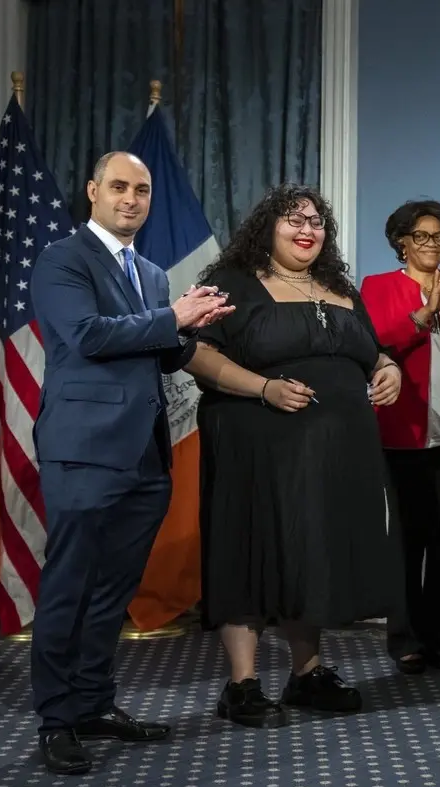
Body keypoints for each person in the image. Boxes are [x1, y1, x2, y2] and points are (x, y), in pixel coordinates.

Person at [29, 151, 231, 774]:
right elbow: (88, 336)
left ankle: (93, 703)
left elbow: (155, 352)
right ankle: (57, 720)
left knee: (113, 589)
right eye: (118, 186)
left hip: (144, 454)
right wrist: (172, 319)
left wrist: (194, 326)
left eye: (141, 190)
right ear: (92, 191)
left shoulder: (148, 270)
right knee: (70, 586)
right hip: (84, 450)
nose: (131, 199)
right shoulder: (62, 258)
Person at [184, 184, 404, 728]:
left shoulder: (338, 287)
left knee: (314, 555)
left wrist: (388, 369)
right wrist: (263, 388)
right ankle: (242, 685)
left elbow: (370, 348)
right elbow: (195, 354)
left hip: (334, 455)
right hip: (255, 445)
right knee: (253, 551)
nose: (307, 230)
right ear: (266, 228)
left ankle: (307, 675)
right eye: (292, 220)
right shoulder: (230, 283)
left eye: (315, 221)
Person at [362, 200, 440, 675]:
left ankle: (439, 640)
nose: (433, 244)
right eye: (423, 236)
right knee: (409, 539)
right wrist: (423, 313)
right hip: (404, 429)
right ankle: (405, 640)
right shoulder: (378, 287)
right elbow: (375, 342)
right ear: (402, 243)